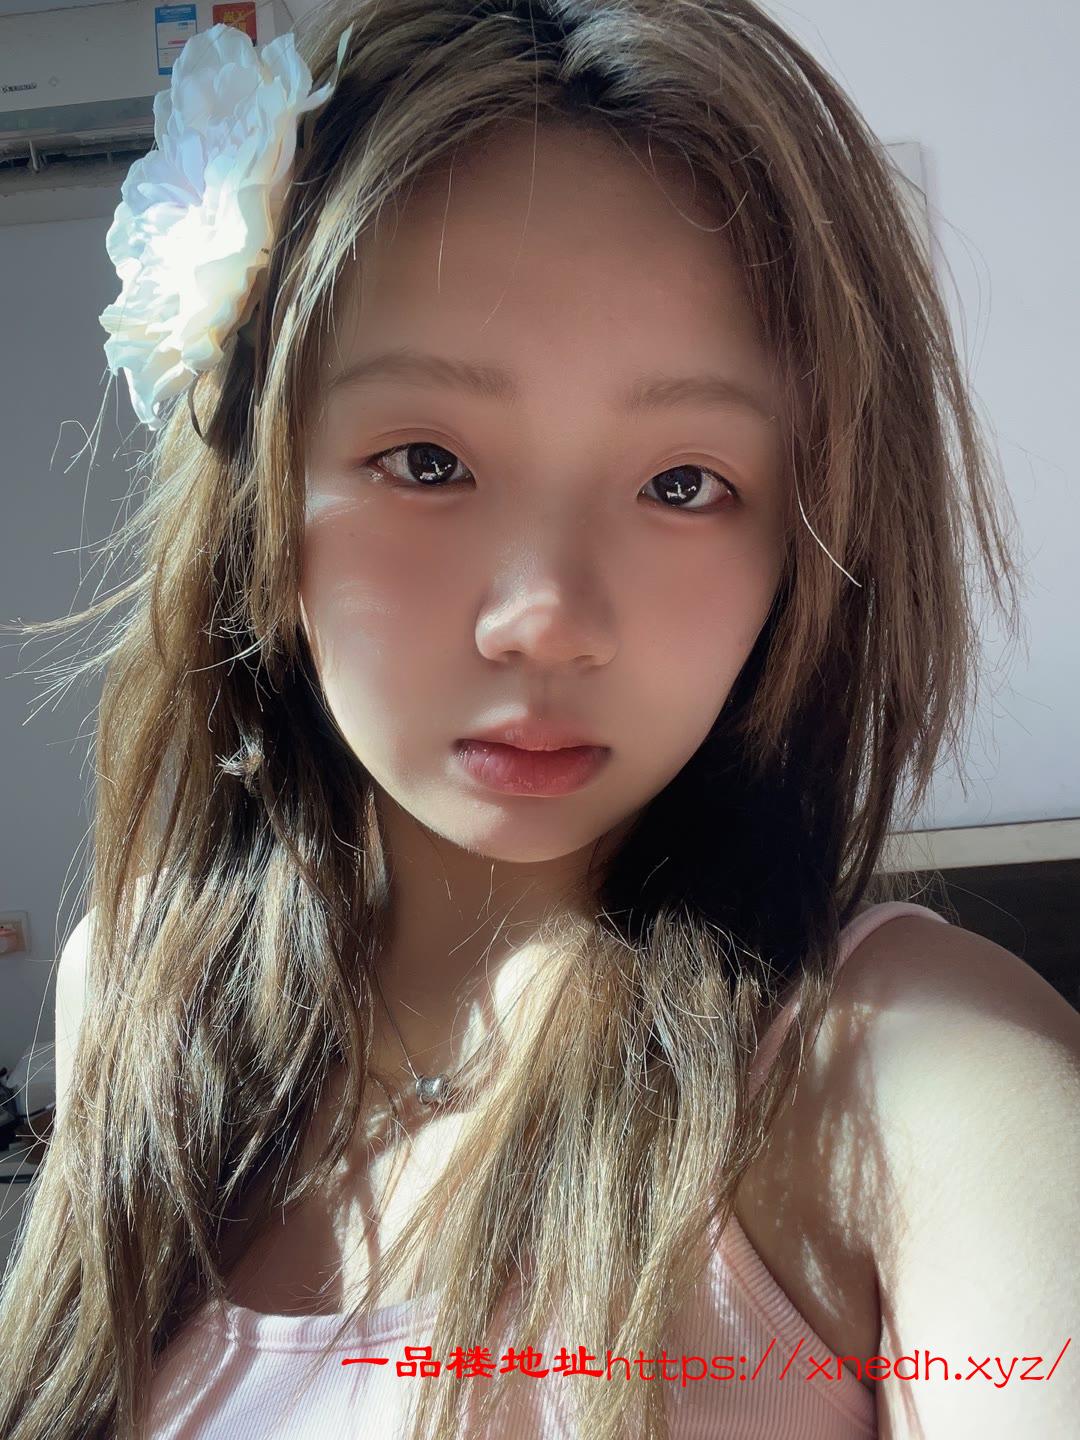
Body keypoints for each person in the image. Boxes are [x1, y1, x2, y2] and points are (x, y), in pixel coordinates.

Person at [1, 2, 1076, 1437]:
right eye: (426, 459)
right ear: (264, 489)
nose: (547, 617)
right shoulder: (132, 999)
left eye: (685, 484)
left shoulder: (911, 1083)